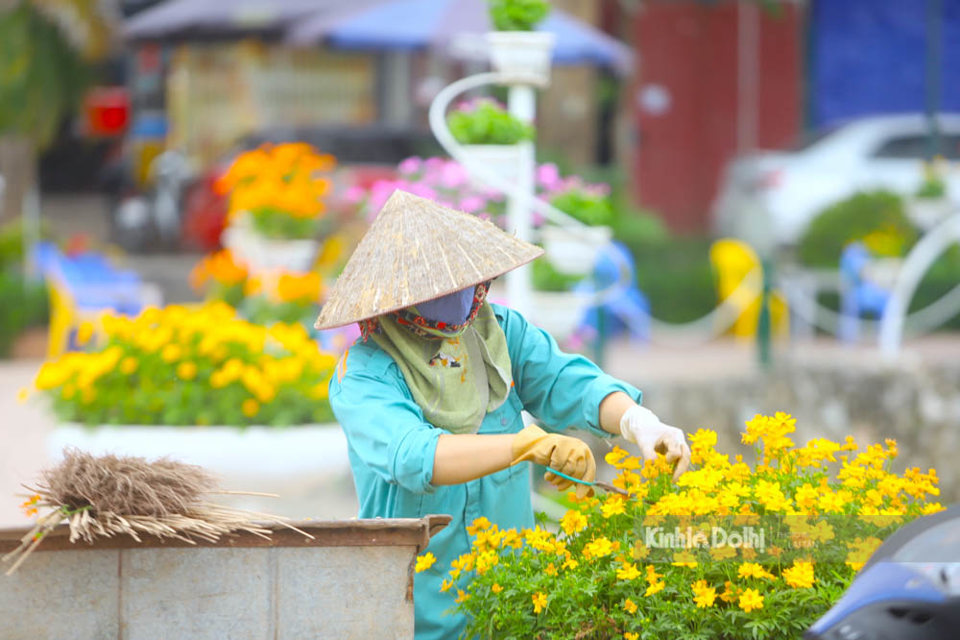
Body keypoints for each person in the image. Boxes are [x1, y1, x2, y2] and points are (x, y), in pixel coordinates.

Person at [315, 190, 691, 640]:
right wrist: (526, 444)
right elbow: (414, 455)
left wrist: (638, 422)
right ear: (397, 299)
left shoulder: (500, 333)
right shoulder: (365, 373)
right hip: (414, 615)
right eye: (436, 287)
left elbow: (566, 382)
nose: (455, 295)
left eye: (461, 279)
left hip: (515, 607)